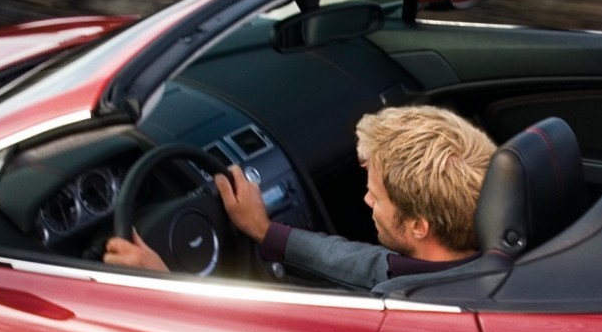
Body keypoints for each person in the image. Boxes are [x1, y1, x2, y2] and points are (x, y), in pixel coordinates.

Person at [105, 105, 496, 289]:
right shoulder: (493, 250)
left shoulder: (401, 313)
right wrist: (264, 231)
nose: (366, 200)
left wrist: (165, 287)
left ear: (419, 226)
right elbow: (376, 265)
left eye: (376, 197)